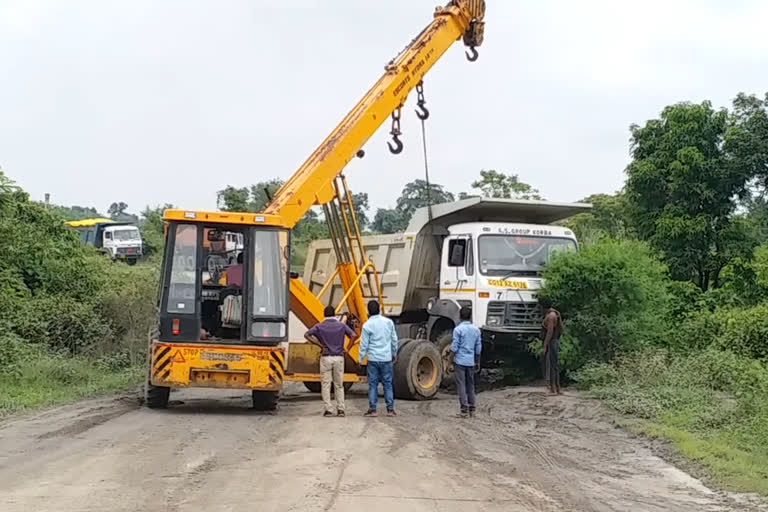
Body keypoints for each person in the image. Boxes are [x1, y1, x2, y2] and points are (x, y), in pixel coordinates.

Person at [305, 306, 356, 417]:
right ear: (334, 314)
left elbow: (307, 334)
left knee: (326, 384)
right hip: (339, 357)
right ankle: (341, 409)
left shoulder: (319, 326)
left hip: (326, 357)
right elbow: (353, 335)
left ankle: (328, 410)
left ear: (324, 314)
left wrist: (320, 345)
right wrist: (347, 349)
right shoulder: (341, 325)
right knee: (339, 385)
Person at [359, 300, 398, 417]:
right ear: (380, 308)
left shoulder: (367, 325)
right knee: (388, 384)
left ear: (368, 311)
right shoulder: (388, 322)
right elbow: (394, 340)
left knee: (373, 384)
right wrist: (394, 353)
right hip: (386, 358)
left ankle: (373, 409)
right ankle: (390, 410)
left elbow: (364, 344)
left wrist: (360, 359)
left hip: (373, 359)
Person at [451, 306, 482, 418]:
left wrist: (451, 360)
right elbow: (478, 348)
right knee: (471, 385)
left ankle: (464, 410)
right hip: (471, 361)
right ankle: (472, 409)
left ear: (460, 316)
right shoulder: (476, 330)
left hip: (460, 361)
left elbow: (454, 347)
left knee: (461, 386)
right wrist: (477, 361)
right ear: (470, 317)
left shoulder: (458, 330)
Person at [540, 296, 564, 395]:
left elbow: (550, 331)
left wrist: (545, 345)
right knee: (554, 364)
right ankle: (556, 388)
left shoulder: (550, 316)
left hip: (552, 341)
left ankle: (553, 388)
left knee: (552, 364)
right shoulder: (555, 313)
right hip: (554, 341)